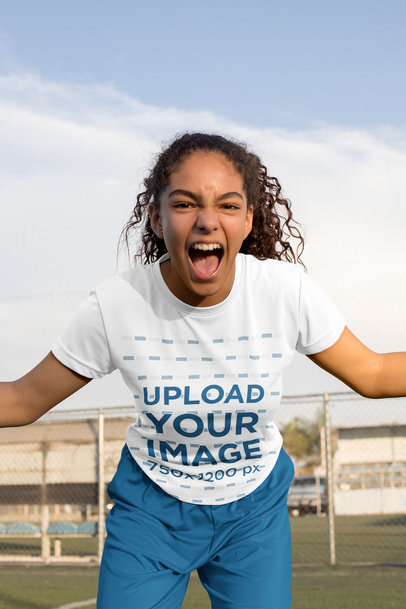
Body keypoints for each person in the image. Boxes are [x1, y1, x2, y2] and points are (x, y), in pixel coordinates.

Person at [1, 132, 405, 609]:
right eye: (186, 204)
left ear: (248, 217)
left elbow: (375, 374)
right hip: (152, 508)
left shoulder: (283, 292)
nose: (208, 221)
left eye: (228, 206)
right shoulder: (117, 305)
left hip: (253, 509)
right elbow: (23, 400)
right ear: (157, 216)